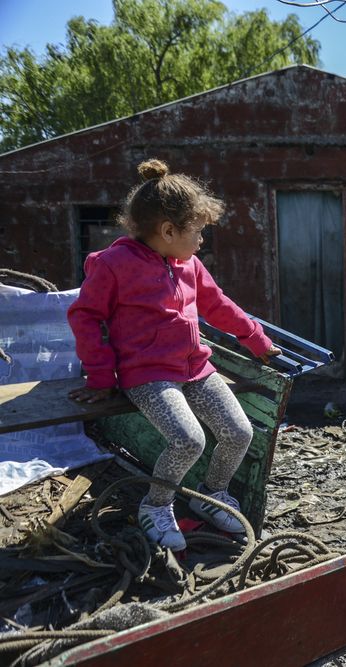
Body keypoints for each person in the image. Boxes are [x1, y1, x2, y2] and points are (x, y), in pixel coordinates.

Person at [67, 159, 280, 551]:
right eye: (197, 232)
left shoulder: (189, 265)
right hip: (148, 375)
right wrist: (100, 376)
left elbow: (218, 305)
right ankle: (156, 505)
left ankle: (212, 493)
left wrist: (257, 339)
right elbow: (85, 317)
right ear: (168, 231)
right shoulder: (114, 266)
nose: (201, 241)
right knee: (189, 440)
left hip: (195, 367)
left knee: (240, 432)